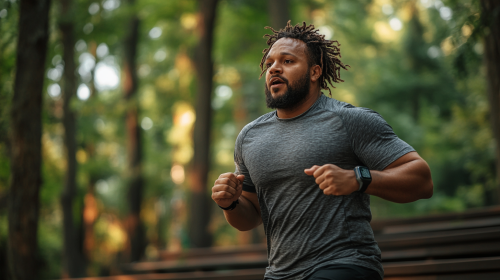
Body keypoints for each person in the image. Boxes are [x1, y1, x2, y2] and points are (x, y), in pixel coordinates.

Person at [211, 21, 433, 280]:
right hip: (279, 273)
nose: (274, 69)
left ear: (315, 72)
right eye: (270, 63)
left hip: (346, 264)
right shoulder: (250, 136)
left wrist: (358, 178)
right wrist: (230, 203)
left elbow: (422, 179)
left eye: (288, 61)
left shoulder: (349, 120)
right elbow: (250, 218)